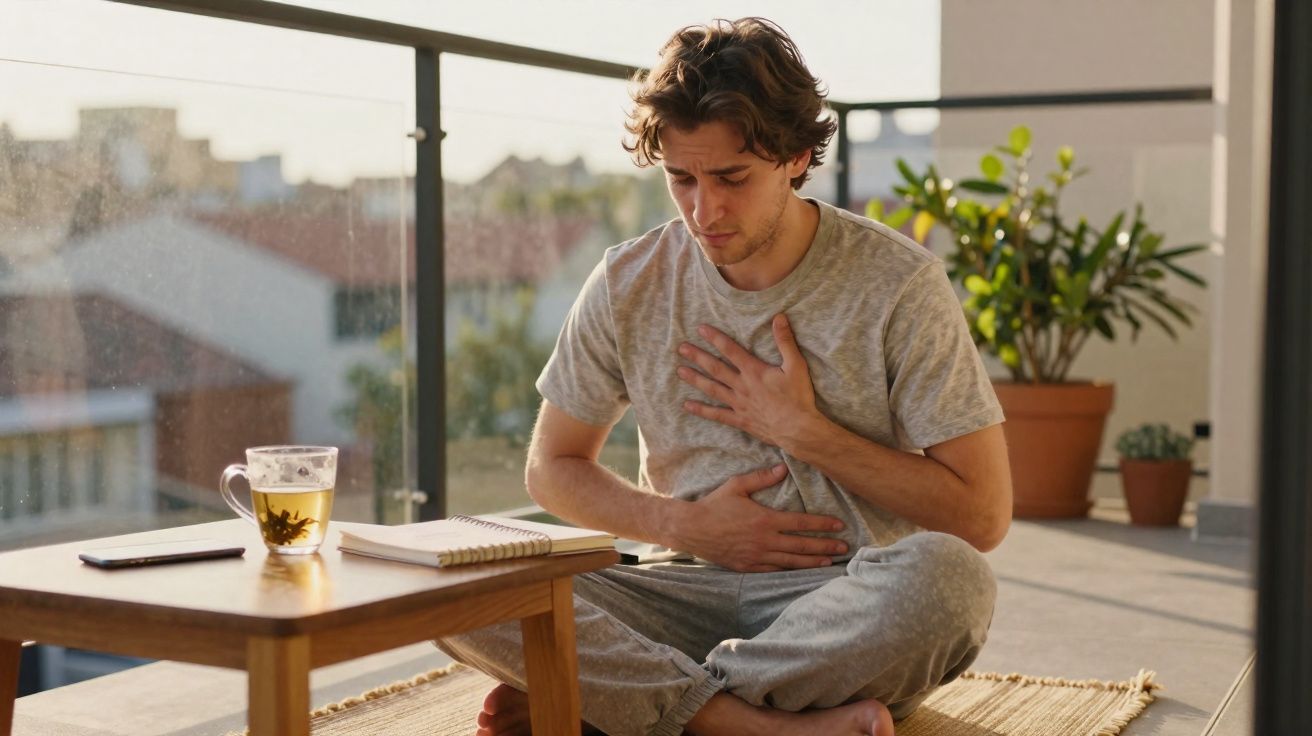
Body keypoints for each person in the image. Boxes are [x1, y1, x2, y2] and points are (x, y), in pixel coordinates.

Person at [438, 17, 1012, 736]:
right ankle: (751, 724)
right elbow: (551, 469)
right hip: (676, 593)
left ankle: (626, 699)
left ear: (797, 156)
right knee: (461, 578)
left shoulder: (898, 283)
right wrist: (684, 526)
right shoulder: (628, 279)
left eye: (732, 178)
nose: (704, 211)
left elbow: (983, 515)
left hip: (835, 609)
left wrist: (806, 433)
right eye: (682, 178)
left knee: (950, 582)